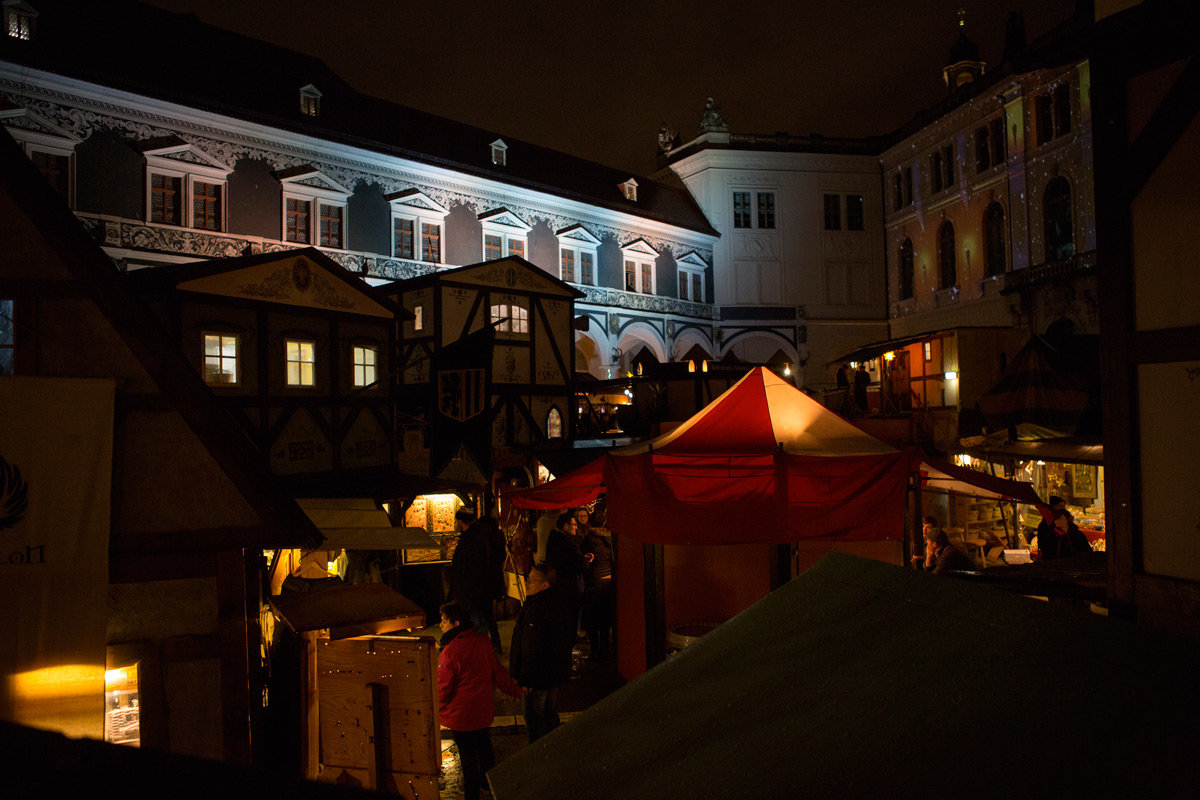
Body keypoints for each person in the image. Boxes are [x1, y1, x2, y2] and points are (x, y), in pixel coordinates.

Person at [436, 602, 522, 800]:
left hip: (461, 716)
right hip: (481, 712)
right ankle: (489, 783)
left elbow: (443, 687)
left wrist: (436, 707)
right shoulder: (483, 641)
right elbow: (498, 673)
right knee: (484, 747)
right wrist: (515, 690)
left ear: (455, 623)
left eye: (443, 621)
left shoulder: (450, 651)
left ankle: (472, 794)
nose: (441, 625)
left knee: (467, 755)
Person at [509, 563, 574, 743]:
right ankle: (552, 750)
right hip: (554, 674)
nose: (527, 583)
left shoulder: (537, 609)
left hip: (537, 678)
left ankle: (539, 756)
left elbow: (532, 647)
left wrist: (526, 678)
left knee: (535, 718)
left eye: (532, 580)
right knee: (550, 713)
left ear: (545, 585)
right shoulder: (559, 604)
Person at [447, 508, 501, 651]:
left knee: (478, 623)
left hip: (473, 593)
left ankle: (482, 652)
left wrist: (466, 592)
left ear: (461, 521)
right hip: (477, 591)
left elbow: (472, 568)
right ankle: (489, 648)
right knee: (483, 621)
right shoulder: (476, 537)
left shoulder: (472, 540)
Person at [579, 511, 614, 663]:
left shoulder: (589, 539)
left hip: (594, 583)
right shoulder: (611, 538)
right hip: (608, 582)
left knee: (593, 622)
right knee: (605, 621)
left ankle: (594, 652)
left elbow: (583, 563)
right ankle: (605, 652)